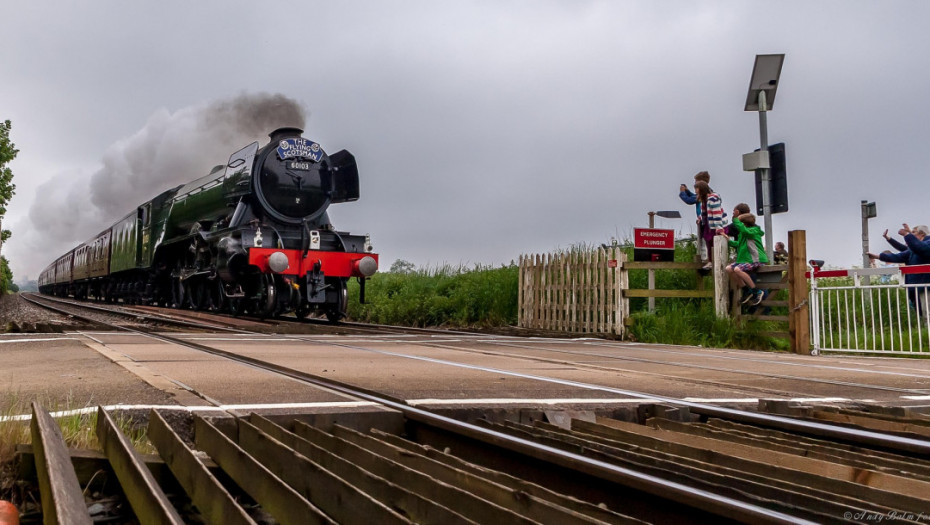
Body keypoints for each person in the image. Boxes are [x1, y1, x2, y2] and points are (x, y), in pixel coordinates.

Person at [868, 224, 930, 316]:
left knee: (927, 313)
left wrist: (906, 235)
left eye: (913, 232)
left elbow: (920, 248)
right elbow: (899, 256)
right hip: (916, 285)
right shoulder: (914, 249)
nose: (911, 235)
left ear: (922, 234)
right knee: (921, 313)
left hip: (925, 285)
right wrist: (878, 256)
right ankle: (924, 329)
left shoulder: (927, 244)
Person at [720, 213, 769, 306]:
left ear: (744, 224)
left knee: (737, 269)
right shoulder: (744, 233)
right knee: (729, 269)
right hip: (746, 259)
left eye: (739, 224)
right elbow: (738, 244)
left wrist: (735, 219)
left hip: (756, 259)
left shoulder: (753, 231)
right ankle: (747, 290)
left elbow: (745, 231)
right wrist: (728, 240)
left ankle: (756, 291)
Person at [679, 171, 712, 262]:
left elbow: (690, 200)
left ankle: (704, 259)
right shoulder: (709, 192)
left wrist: (682, 193)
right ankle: (705, 258)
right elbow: (694, 196)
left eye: (696, 182)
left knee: (703, 239)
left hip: (704, 220)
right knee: (704, 239)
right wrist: (687, 191)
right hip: (707, 219)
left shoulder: (703, 194)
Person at [693, 180, 724, 270]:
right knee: (708, 241)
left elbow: (716, 213)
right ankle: (710, 260)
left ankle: (717, 261)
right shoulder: (704, 199)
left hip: (715, 223)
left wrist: (719, 228)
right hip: (708, 223)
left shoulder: (713, 198)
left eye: (697, 189)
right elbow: (705, 212)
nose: (695, 191)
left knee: (714, 241)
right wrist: (701, 219)